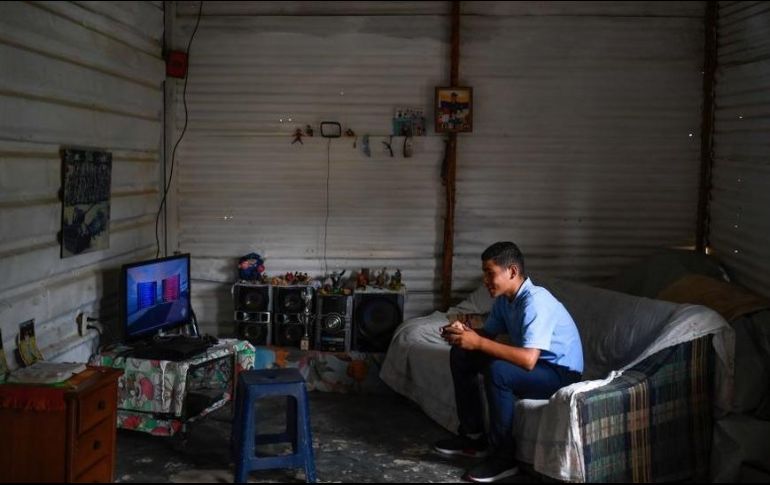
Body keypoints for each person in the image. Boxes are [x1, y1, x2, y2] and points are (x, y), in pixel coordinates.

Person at [434, 241, 584, 482]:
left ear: (512, 272)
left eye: (489, 273)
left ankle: (504, 458)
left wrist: (479, 343)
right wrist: (463, 333)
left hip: (560, 373)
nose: (484, 280)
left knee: (499, 371)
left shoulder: (535, 301)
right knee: (462, 353)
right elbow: (487, 335)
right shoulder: (506, 300)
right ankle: (473, 438)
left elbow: (527, 360)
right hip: (538, 366)